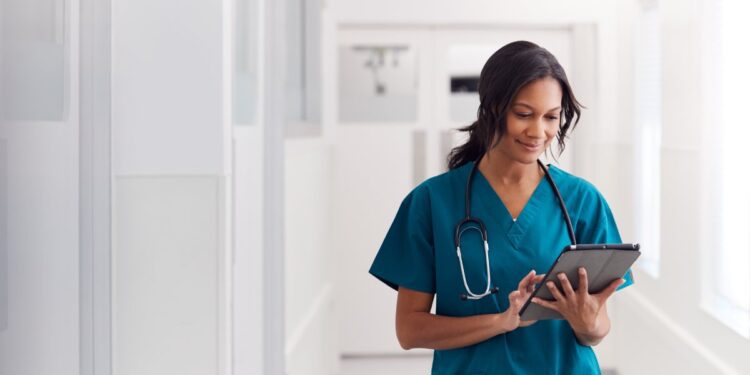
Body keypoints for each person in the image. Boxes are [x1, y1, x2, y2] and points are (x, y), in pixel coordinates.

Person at [368, 40, 634, 374]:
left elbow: (596, 331)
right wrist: (501, 321)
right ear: (493, 107)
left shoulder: (582, 202)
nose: (538, 131)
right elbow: (409, 330)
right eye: (524, 114)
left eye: (551, 117)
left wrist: (587, 321)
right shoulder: (432, 203)